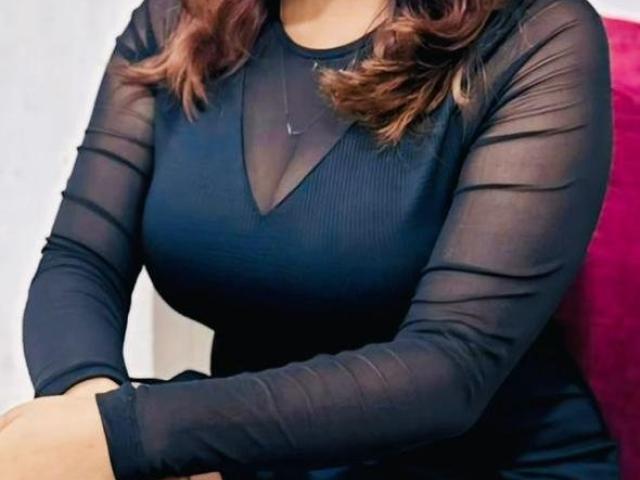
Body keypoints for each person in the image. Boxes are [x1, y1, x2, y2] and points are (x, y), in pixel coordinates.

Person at [0, 0, 620, 478]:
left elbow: (449, 366)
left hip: (471, 462)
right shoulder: (179, 23)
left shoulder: (537, 35)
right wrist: (90, 417)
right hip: (236, 447)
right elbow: (82, 259)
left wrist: (135, 436)